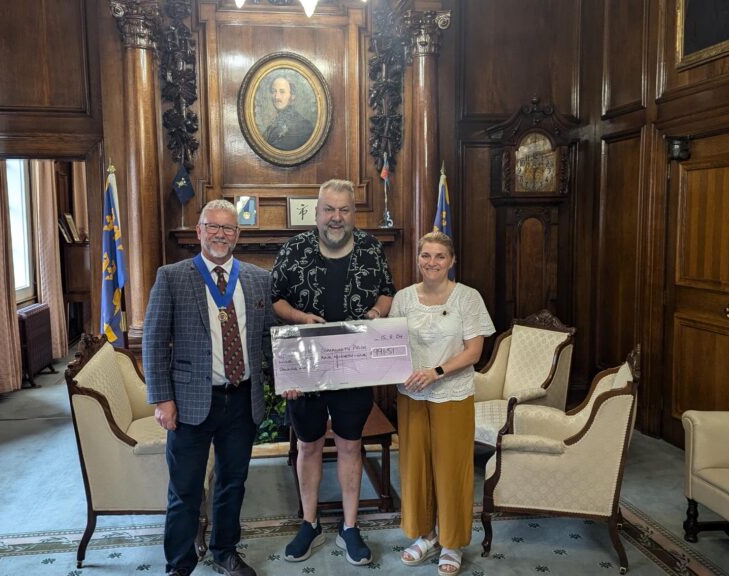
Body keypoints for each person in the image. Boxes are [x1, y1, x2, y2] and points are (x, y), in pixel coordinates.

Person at [142, 199, 275, 576]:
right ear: (198, 231)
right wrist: (163, 399)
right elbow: (153, 341)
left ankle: (224, 552)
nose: (220, 234)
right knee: (185, 491)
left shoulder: (257, 278)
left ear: (238, 235)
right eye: (212, 226)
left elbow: (267, 338)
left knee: (232, 483)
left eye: (228, 228)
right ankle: (179, 565)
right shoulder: (172, 276)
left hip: (242, 401)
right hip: (189, 403)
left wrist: (288, 380)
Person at [272, 179, 396, 566]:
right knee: (308, 445)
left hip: (353, 364)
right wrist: (299, 316)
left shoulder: (372, 249)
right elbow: (275, 299)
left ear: (353, 213)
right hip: (305, 364)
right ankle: (309, 523)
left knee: (349, 444)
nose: (336, 218)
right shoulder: (294, 249)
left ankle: (349, 526)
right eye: (329, 209)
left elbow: (387, 292)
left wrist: (376, 314)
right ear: (317, 211)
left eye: (344, 210)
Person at [389, 232, 495, 576]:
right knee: (415, 467)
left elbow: (474, 351)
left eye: (439, 256)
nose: (431, 262)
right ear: (417, 259)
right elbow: (391, 345)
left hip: (453, 394)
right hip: (411, 396)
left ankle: (452, 542)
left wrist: (436, 372)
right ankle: (426, 535)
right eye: (425, 255)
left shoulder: (468, 297)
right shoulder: (403, 298)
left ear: (451, 261)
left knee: (451, 470)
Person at [262, 76, 315, 151]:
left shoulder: (303, 125)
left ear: (292, 96)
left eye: (282, 92)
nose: (277, 97)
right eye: (274, 91)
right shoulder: (273, 123)